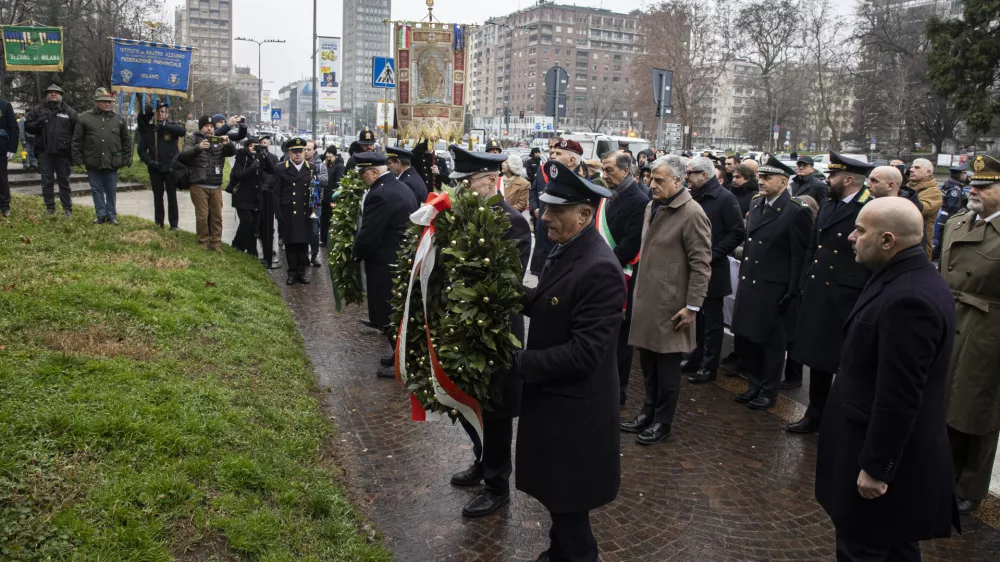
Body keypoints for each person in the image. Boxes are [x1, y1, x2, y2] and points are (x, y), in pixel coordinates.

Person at [816, 196, 958, 561]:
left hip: (881, 459)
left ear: (887, 240)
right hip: (875, 448)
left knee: (864, 548)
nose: (851, 236)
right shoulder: (903, 276)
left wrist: (877, 468)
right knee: (894, 547)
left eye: (861, 230)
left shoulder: (909, 299)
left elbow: (900, 395)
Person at [514, 159, 623, 562]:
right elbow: (550, 302)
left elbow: (585, 353)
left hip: (576, 410)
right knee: (559, 498)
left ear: (584, 214)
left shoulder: (599, 268)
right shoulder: (569, 250)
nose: (544, 217)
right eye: (545, 208)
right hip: (557, 401)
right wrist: (504, 293)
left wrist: (521, 362)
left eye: (555, 210)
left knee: (570, 505)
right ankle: (558, 552)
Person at [446, 146, 532, 518]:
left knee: (495, 409)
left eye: (468, 184)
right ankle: (481, 462)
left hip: (495, 329)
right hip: (467, 324)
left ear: (488, 180)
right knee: (470, 401)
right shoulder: (465, 215)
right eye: (459, 185)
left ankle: (497, 485)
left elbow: (505, 282)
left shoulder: (511, 221)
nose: (462, 191)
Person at [621, 156, 712, 445]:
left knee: (668, 370)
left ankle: (663, 420)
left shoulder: (692, 213)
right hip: (648, 300)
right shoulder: (652, 206)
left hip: (674, 306)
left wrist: (693, 306)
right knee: (647, 364)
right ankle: (647, 412)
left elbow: (701, 264)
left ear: (677, 180)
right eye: (650, 178)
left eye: (659, 180)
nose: (651, 184)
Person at [787, 152, 874, 434]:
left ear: (849, 179)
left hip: (848, 294)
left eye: (833, 176)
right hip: (819, 290)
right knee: (817, 356)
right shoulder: (828, 202)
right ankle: (815, 414)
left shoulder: (869, 208)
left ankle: (841, 418)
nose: (827, 180)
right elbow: (814, 246)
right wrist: (803, 282)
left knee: (846, 361)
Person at [940, 153, 1000, 515]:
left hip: (988, 331)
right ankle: (943, 474)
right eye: (972, 185)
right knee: (945, 403)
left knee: (979, 410)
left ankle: (970, 485)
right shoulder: (958, 222)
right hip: (951, 320)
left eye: (985, 186)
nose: (973, 191)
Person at [730, 157, 812, 409]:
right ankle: (754, 385)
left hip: (775, 287)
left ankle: (768, 390)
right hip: (751, 282)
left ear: (783, 182)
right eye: (760, 177)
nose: (761, 182)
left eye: (767, 178)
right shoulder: (756, 203)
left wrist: (793, 291)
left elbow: (800, 256)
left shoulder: (797, 211)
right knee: (750, 339)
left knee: (772, 344)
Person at [352, 151, 419, 378]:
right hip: (400, 258)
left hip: (385, 262)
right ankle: (398, 354)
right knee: (395, 312)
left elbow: (369, 233)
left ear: (373, 172)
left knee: (388, 314)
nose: (363, 179)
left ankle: (404, 363)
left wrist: (355, 254)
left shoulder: (379, 194)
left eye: (363, 174)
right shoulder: (399, 186)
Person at [681, 156, 746, 385]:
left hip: (713, 269)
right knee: (694, 316)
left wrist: (712, 254)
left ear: (704, 175)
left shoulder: (725, 199)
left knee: (712, 321)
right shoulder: (690, 196)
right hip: (691, 267)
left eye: (691, 173)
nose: (687, 177)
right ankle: (693, 356)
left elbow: (737, 232)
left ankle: (709, 366)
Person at [598, 151, 651, 406]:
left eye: (609, 170)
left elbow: (630, 246)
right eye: (603, 170)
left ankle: (617, 391)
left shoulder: (639, 200)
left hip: (622, 276)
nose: (604, 175)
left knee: (620, 338)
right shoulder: (608, 195)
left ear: (625, 171)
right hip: (603, 273)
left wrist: (599, 263)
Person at [72, 88, 131, 225]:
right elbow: (77, 140)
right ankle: (101, 215)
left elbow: (126, 141)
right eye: (103, 101)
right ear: (96, 102)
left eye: (109, 101)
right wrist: (78, 158)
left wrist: (126, 158)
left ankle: (111, 215)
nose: (107, 104)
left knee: (111, 189)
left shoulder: (119, 119)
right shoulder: (84, 118)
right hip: (93, 159)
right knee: (96, 189)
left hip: (112, 160)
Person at [179, 115, 236, 250]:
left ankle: (216, 243)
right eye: (206, 126)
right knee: (202, 217)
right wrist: (198, 148)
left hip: (215, 185)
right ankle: (203, 242)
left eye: (211, 126)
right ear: (201, 128)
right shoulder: (193, 138)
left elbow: (232, 152)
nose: (209, 129)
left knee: (217, 216)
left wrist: (228, 143)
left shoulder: (218, 140)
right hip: (199, 184)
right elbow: (183, 155)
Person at [24, 84, 77, 217]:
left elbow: (76, 134)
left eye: (56, 92)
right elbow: (28, 126)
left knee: (64, 181)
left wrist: (74, 153)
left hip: (63, 153)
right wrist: (37, 124)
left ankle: (67, 208)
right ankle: (50, 208)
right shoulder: (37, 110)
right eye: (50, 92)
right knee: (46, 181)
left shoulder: (70, 112)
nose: (53, 94)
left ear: (61, 95)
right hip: (44, 152)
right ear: (46, 94)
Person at [270, 138, 316, 284]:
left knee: (303, 243)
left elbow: (315, 191)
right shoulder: (281, 168)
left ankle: (301, 273)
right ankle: (291, 273)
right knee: (290, 243)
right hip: (288, 210)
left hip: (305, 211)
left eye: (300, 151)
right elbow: (276, 192)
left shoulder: (311, 167)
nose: (298, 155)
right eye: (294, 152)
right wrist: (278, 213)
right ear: (289, 153)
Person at [136, 101, 186, 230]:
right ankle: (159, 222)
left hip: (170, 167)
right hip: (155, 167)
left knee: (172, 195)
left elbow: (182, 131)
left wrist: (164, 127)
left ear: (166, 113)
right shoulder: (149, 129)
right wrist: (150, 162)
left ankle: (174, 224)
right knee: (158, 196)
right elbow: (141, 150)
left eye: (163, 112)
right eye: (158, 112)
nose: (161, 114)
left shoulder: (171, 126)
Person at [229, 136, 274, 257]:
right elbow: (238, 175)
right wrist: (253, 167)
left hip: (256, 196)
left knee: (254, 225)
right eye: (251, 146)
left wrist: (264, 155)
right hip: (242, 195)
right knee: (246, 221)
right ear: (247, 147)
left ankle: (251, 250)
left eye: (256, 145)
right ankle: (237, 244)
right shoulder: (241, 157)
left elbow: (271, 170)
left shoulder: (260, 156)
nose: (254, 148)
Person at [528, 137, 568, 274]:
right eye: (550, 147)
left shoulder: (568, 173)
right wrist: (534, 208)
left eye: (556, 148)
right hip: (541, 225)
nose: (552, 151)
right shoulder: (542, 169)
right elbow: (533, 191)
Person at [907, 158, 943, 259]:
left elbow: (921, 210)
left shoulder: (934, 192)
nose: (911, 169)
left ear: (928, 172)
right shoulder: (909, 187)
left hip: (920, 243)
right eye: (912, 167)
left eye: (917, 167)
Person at [303, 140, 329, 266]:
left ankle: (314, 254)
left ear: (314, 151)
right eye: (305, 149)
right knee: (301, 228)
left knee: (314, 229)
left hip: (315, 202)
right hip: (301, 202)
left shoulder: (320, 165)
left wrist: (314, 178)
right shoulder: (299, 164)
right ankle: (302, 254)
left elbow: (325, 180)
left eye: (309, 149)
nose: (306, 152)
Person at [321, 145, 345, 247]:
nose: (327, 155)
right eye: (327, 153)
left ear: (334, 154)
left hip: (333, 196)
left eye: (330, 153)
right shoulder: (327, 165)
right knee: (324, 218)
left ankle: (331, 240)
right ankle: (323, 239)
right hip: (325, 197)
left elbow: (339, 181)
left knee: (332, 219)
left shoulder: (339, 166)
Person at [0, 97, 18, 218]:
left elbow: (13, 127)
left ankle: (4, 206)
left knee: (1, 178)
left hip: (1, 147)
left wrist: (12, 148)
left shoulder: (5, 105)